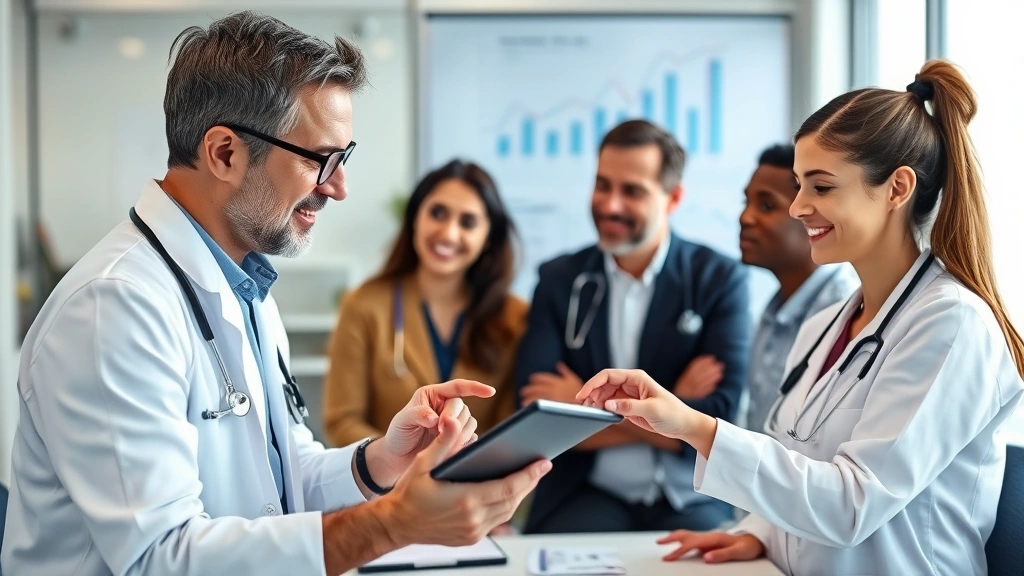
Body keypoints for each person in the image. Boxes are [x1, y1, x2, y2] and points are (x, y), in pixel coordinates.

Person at [1, 13, 549, 576]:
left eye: (344, 158)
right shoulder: (113, 307)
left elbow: (283, 478)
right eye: (320, 159)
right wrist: (392, 525)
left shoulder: (246, 287)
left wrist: (382, 460)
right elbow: (158, 559)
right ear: (225, 153)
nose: (339, 187)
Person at [576, 60, 1024, 575]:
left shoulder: (952, 326)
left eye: (821, 187)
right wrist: (758, 532)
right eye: (798, 185)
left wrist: (692, 425)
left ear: (897, 189)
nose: (797, 207)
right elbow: (800, 464)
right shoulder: (824, 326)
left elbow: (852, 504)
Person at [515, 120, 751, 534]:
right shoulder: (559, 280)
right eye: (602, 185)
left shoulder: (718, 280)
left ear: (673, 198)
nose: (610, 205)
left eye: (632, 191)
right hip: (588, 493)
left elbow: (721, 420)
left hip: (692, 496)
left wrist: (584, 409)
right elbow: (538, 417)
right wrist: (677, 409)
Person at [323, 159, 527, 447]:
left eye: (468, 222)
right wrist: (398, 460)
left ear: (488, 239)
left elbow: (511, 427)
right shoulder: (363, 306)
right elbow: (342, 421)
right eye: (437, 213)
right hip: (388, 475)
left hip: (477, 475)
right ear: (415, 217)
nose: (448, 233)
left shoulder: (514, 318)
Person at [738, 144, 858, 432]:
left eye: (766, 206)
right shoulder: (774, 308)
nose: (745, 217)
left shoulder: (844, 309)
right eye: (746, 202)